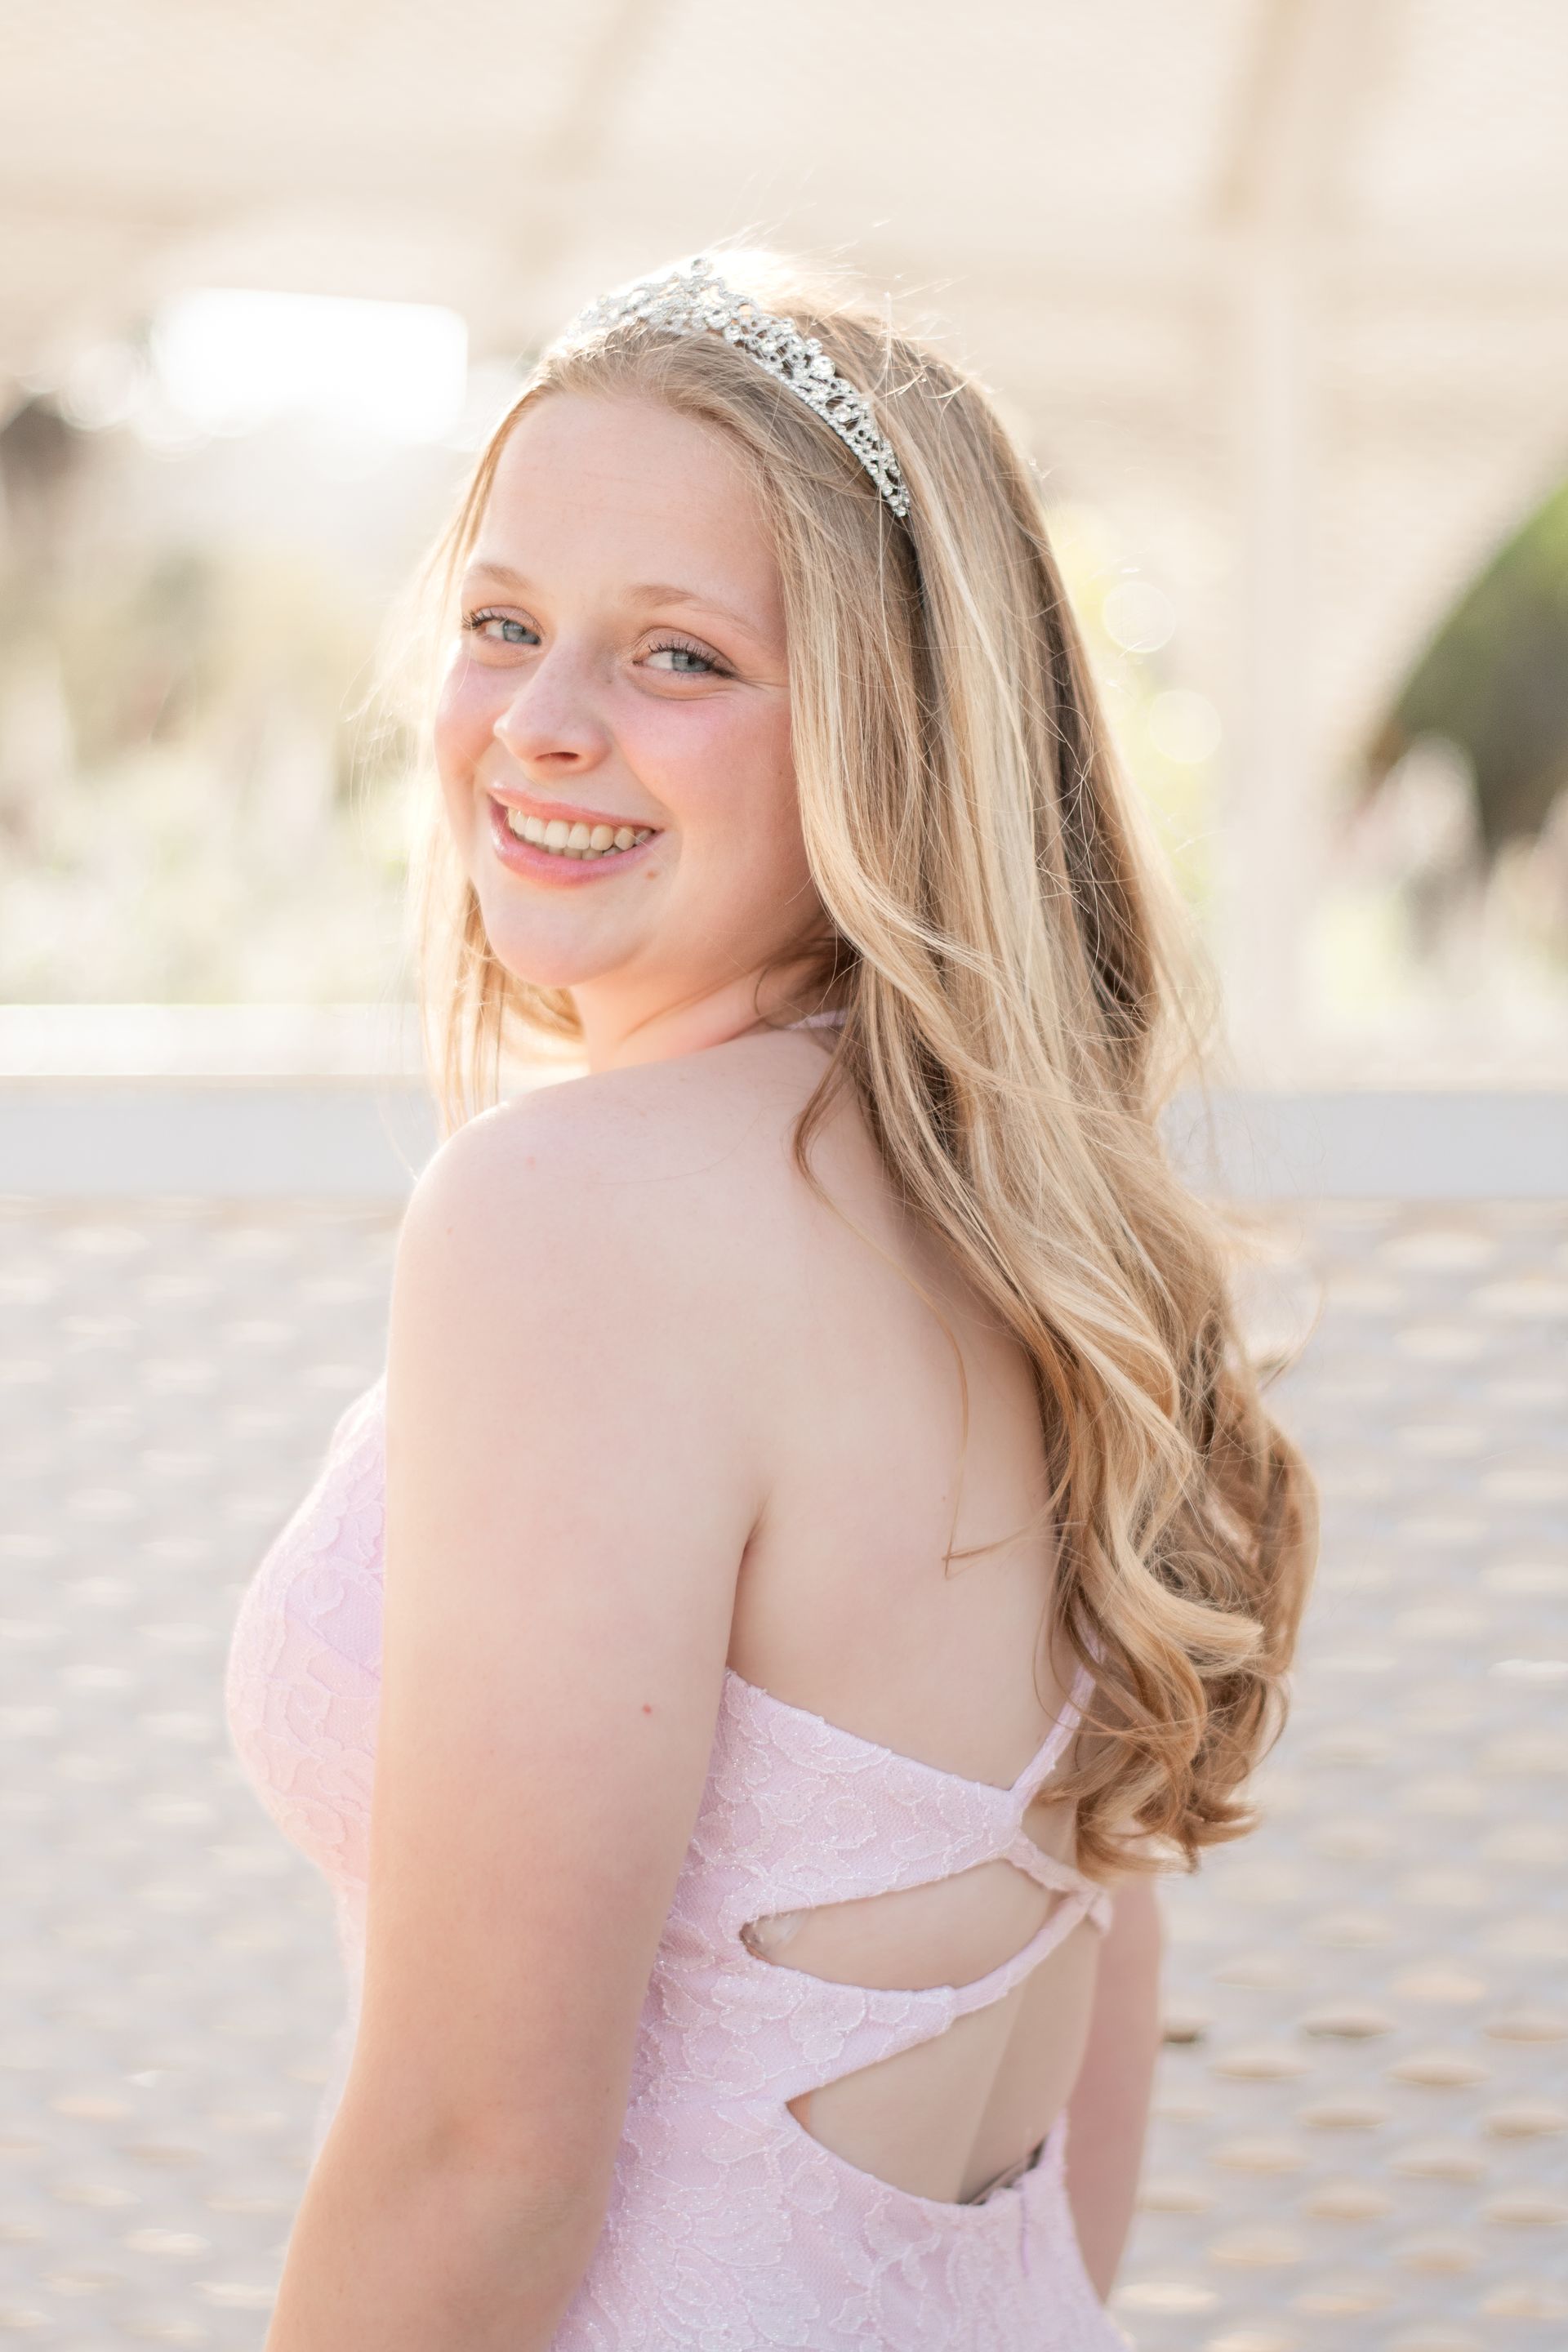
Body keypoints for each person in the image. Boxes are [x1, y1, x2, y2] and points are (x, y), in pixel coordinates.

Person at [226, 247, 1317, 2351]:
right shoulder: (1039, 1240)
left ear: (895, 741)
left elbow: (477, 2162)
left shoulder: (576, 1223)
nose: (542, 722)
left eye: (682, 655)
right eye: (503, 623)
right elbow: (1083, 2092)